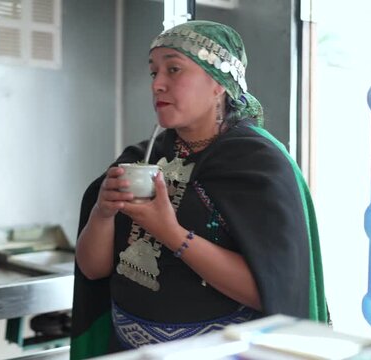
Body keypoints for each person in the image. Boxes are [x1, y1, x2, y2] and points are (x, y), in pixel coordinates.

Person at [70, 20, 329, 359]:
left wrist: (171, 234)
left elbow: (271, 289)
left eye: (174, 69)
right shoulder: (140, 159)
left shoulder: (257, 166)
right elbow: (93, 269)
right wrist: (102, 213)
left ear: (218, 84)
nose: (157, 85)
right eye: (154, 73)